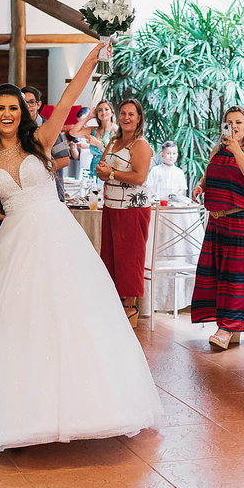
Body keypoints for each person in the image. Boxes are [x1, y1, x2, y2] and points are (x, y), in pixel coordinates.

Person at [0, 51, 163, 454]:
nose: (8, 114)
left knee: (73, 313)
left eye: (14, 108)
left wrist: (91, 58)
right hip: (15, 240)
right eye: (1, 108)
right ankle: (19, 415)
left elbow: (70, 95)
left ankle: (88, 409)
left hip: (57, 234)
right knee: (18, 321)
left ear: (23, 112)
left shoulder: (39, 139)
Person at [190, 106, 244, 350]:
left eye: (238, 123)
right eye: (229, 122)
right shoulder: (218, 150)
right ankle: (228, 327)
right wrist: (201, 185)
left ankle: (226, 328)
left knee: (236, 278)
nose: (233, 126)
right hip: (216, 222)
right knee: (217, 276)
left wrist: (236, 150)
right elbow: (211, 174)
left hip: (240, 221)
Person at [96, 100, 154, 327]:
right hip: (111, 206)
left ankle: (130, 307)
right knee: (111, 256)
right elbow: (103, 167)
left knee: (130, 258)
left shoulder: (140, 145)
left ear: (139, 118)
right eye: (123, 113)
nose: (126, 118)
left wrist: (111, 173)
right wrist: (103, 172)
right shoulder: (113, 140)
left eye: (131, 114)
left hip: (132, 209)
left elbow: (139, 177)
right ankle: (115, 304)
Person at [21, 86, 71, 201]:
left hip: (51, 194)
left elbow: (64, 160)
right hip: (28, 196)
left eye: (31, 102)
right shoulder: (18, 129)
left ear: (38, 105)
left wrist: (35, 172)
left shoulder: (50, 127)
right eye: (24, 103)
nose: (27, 106)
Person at [70, 99, 116, 183]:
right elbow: (73, 132)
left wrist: (97, 143)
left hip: (108, 170)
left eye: (106, 109)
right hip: (93, 169)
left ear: (112, 112)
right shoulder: (93, 130)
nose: (103, 112)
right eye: (100, 110)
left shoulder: (116, 130)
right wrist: (88, 117)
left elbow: (114, 154)